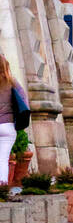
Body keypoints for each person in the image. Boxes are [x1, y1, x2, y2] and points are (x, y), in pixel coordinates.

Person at [0, 53, 28, 193]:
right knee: (3, 159)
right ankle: (2, 189)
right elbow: (24, 101)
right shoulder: (12, 82)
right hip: (8, 126)